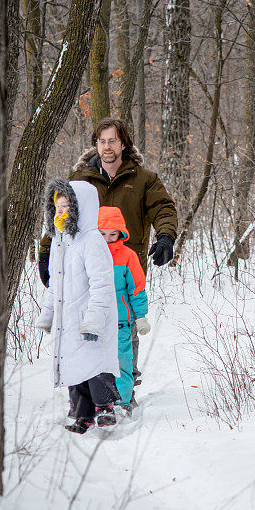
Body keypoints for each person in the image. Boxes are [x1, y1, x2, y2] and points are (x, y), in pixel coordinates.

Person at [38, 118, 178, 403]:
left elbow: (163, 208)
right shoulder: (79, 179)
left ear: (123, 143)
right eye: (102, 141)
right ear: (95, 144)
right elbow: (60, 215)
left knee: (123, 327)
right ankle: (92, 393)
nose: (107, 147)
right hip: (83, 269)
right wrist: (46, 250)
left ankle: (125, 389)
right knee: (90, 327)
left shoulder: (144, 179)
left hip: (124, 266)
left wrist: (165, 236)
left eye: (112, 140)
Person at [36, 178, 120, 434]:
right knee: (74, 367)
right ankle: (81, 416)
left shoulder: (92, 241)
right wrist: (48, 314)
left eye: (66, 207)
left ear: (80, 208)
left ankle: (105, 407)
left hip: (90, 316)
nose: (60, 213)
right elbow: (55, 284)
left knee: (95, 364)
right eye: (57, 208)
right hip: (68, 318)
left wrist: (94, 319)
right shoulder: (60, 243)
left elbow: (103, 285)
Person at [98, 206, 151, 415]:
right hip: (96, 319)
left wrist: (141, 316)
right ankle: (101, 402)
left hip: (121, 320)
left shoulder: (128, 255)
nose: (108, 238)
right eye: (102, 234)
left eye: (113, 234)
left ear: (121, 233)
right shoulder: (90, 254)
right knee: (98, 363)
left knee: (122, 360)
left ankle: (124, 400)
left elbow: (136, 288)